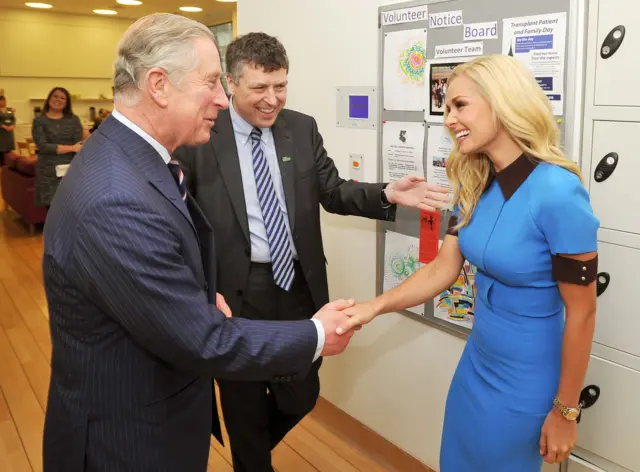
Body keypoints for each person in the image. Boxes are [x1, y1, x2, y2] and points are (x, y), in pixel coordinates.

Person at [42, 14, 357, 472]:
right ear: (159, 85)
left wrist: (201, 295)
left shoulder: (134, 160)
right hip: (129, 442)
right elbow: (204, 341)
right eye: (211, 82)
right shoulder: (116, 199)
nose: (220, 99)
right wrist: (317, 333)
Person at [172, 32, 450, 472]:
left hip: (297, 287)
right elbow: (178, 220)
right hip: (235, 294)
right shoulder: (200, 136)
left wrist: (388, 194)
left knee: (301, 394)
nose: (272, 99)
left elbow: (334, 192)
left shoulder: (300, 128)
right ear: (230, 82)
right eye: (259, 88)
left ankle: (252, 452)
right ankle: (252, 460)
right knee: (243, 408)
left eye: (280, 86)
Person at [336, 54, 599, 472]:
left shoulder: (558, 193)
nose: (449, 119)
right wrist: (373, 307)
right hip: (477, 364)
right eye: (447, 108)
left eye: (460, 105)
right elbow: (442, 269)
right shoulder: (475, 182)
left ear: (502, 102)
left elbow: (582, 313)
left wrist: (566, 412)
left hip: (526, 379)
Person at [32, 86, 84, 207]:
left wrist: (74, 148)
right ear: (49, 99)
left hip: (69, 169)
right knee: (51, 209)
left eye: (62, 98)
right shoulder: (39, 121)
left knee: (70, 207)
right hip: (47, 171)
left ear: (66, 103)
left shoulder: (74, 120)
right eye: (55, 96)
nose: (58, 100)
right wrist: (71, 148)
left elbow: (78, 144)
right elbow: (43, 146)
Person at [0, 95, 16, 163]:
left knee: (9, 154)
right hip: (1, 134)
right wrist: (4, 126)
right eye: (2, 101)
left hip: (9, 135)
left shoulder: (9, 110)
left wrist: (13, 125)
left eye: (4, 100)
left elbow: (13, 118)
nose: (4, 102)